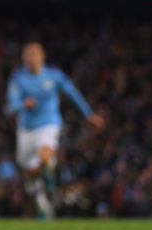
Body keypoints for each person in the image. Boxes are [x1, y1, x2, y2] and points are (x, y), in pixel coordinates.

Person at [6, 41, 104, 219]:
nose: (31, 58)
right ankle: (42, 202)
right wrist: (22, 104)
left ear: (42, 56)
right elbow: (10, 105)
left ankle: (50, 182)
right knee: (31, 172)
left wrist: (88, 114)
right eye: (28, 54)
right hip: (26, 130)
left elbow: (72, 93)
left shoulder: (54, 76)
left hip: (48, 124)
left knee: (45, 155)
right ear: (23, 59)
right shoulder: (18, 79)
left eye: (35, 54)